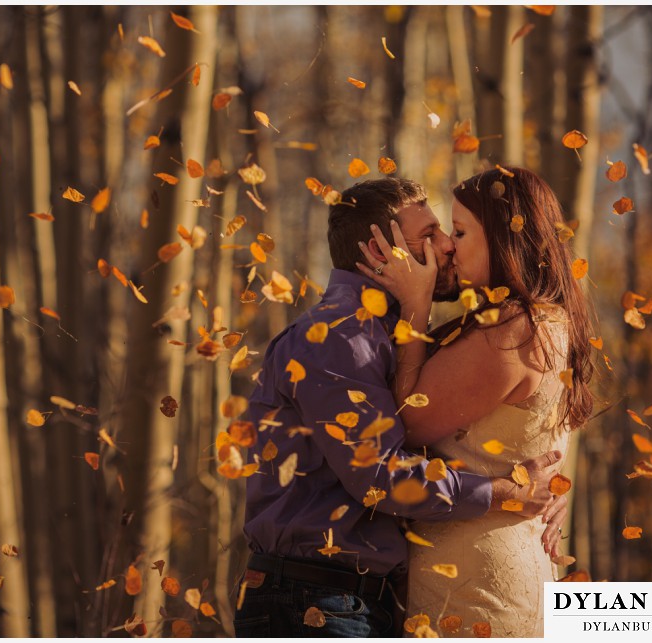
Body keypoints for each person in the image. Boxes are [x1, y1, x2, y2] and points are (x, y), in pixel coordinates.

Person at [233, 177, 568, 638]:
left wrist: (552, 487)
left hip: (355, 599)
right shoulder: (338, 338)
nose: (448, 246)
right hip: (310, 600)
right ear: (378, 252)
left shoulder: (391, 337)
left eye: (448, 232)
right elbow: (380, 477)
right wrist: (504, 492)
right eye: (428, 236)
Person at [356, 167, 593, 637]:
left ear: (503, 239)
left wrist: (416, 303)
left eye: (461, 232)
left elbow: (404, 423)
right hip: (498, 566)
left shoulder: (514, 332)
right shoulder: (547, 321)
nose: (447, 245)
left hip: (476, 584)